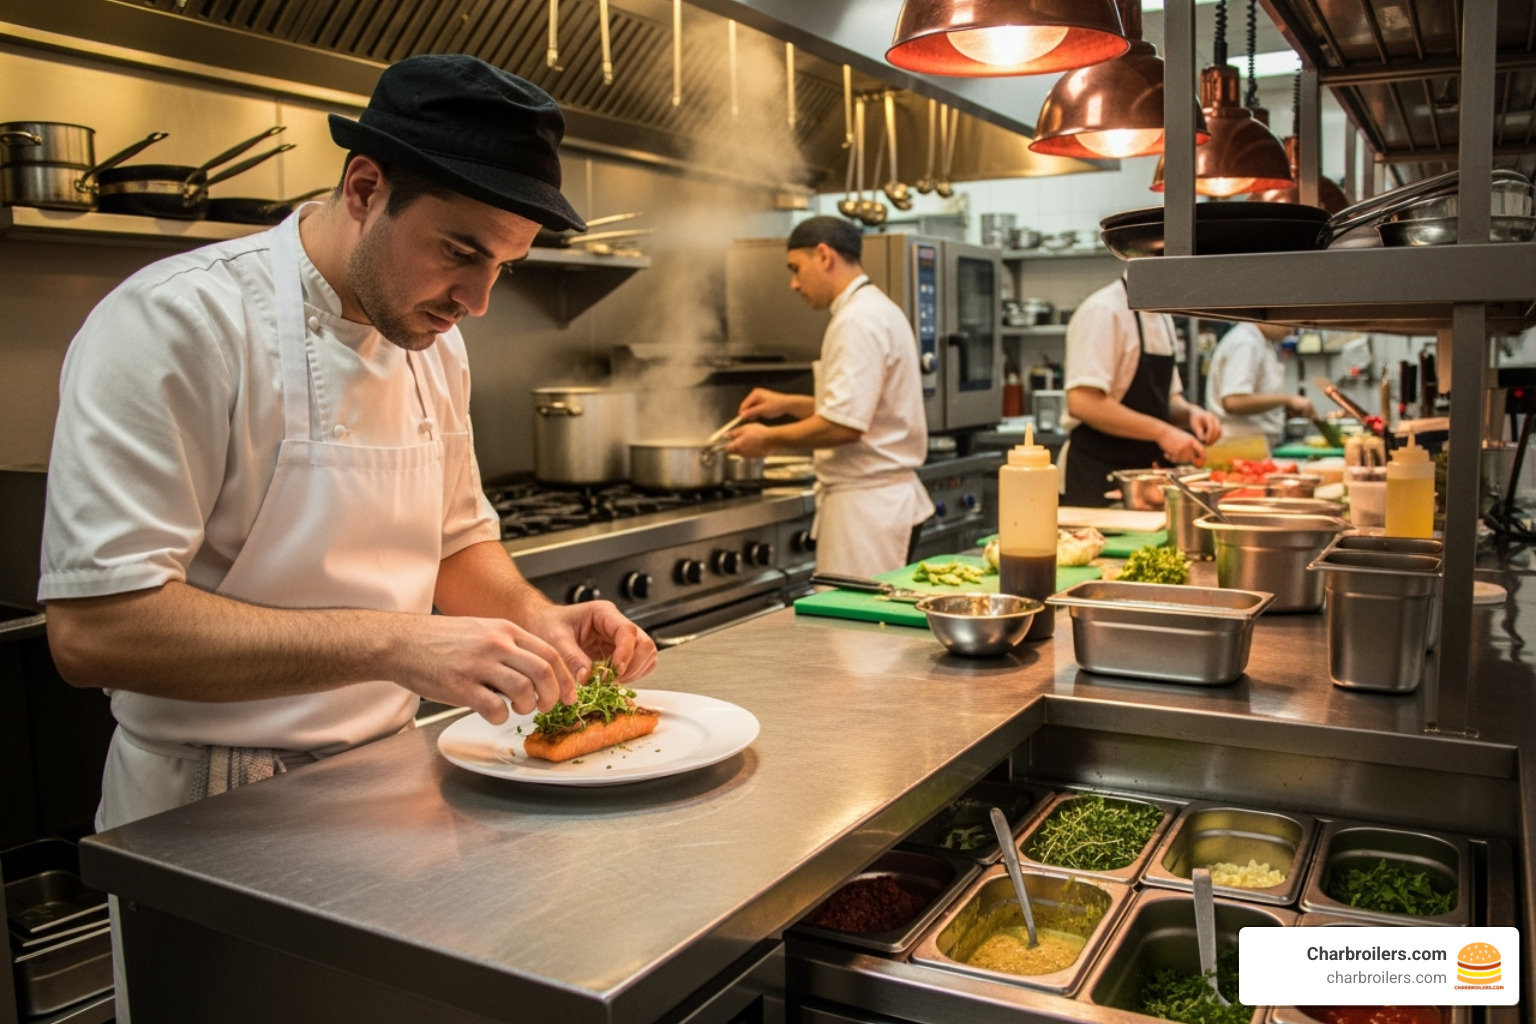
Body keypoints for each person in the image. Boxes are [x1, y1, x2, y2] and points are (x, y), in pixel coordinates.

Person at [40, 54, 659, 834]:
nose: (477, 301)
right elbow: (96, 632)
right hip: (211, 803)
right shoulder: (178, 323)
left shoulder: (432, 339)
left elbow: (456, 543)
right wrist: (398, 644)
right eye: (461, 253)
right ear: (365, 189)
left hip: (395, 777)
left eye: (505, 265)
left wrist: (535, 624)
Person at [724, 216, 934, 577]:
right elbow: (861, 408)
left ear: (824, 255)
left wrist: (768, 438)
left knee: (857, 632)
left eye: (795, 268)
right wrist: (787, 404)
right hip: (878, 506)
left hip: (867, 515)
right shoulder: (877, 309)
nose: (793, 284)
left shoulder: (856, 321)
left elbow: (845, 426)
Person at [1061, 275, 1223, 507]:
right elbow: (1082, 402)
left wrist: (1190, 413)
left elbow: (1167, 397)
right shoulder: (1104, 310)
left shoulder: (1162, 316)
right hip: (1099, 475)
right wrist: (1163, 433)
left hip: (1146, 480)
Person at [1205, 320, 1315, 450]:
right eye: (1290, 322)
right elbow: (1233, 401)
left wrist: (1282, 408)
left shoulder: (1259, 340)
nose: (1291, 331)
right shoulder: (1246, 342)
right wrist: (1288, 400)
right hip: (1240, 447)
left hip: (1251, 445)